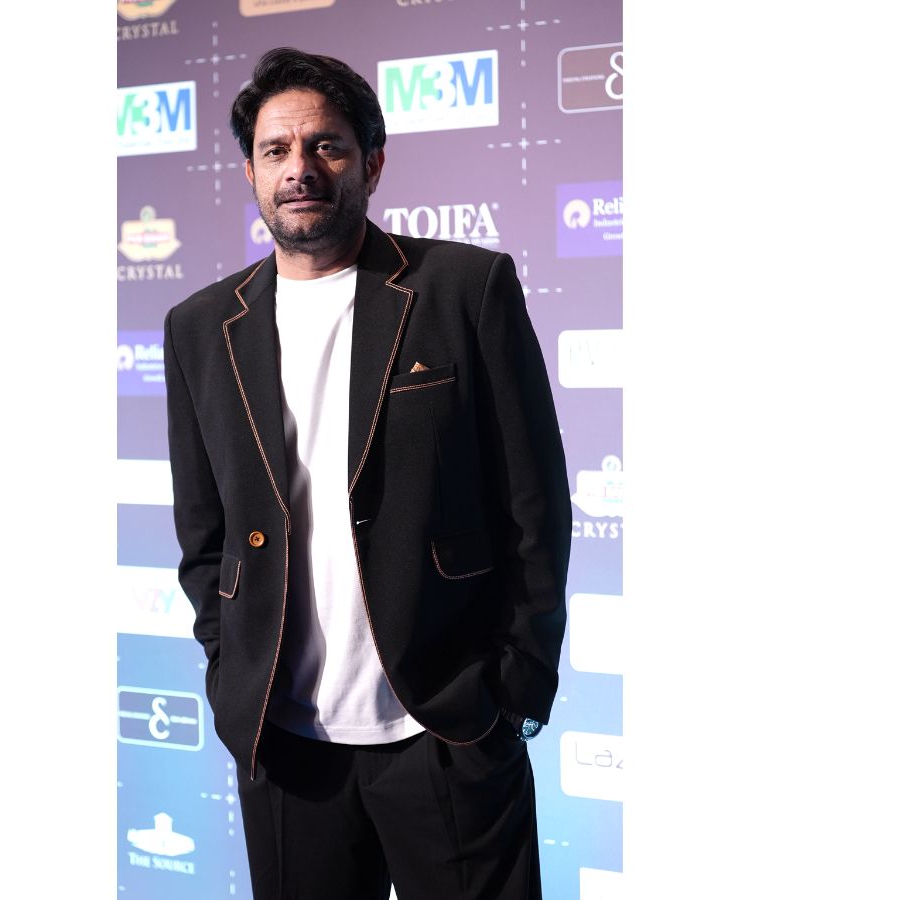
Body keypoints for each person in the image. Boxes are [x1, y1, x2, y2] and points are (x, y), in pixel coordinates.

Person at [163, 47, 572, 900]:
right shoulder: (199, 327)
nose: (300, 169)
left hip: (449, 726)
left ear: (372, 163)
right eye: (276, 150)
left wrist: (515, 689)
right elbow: (204, 535)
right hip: (287, 744)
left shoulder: (465, 288)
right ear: (250, 172)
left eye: (327, 145)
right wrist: (229, 667)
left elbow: (534, 505)